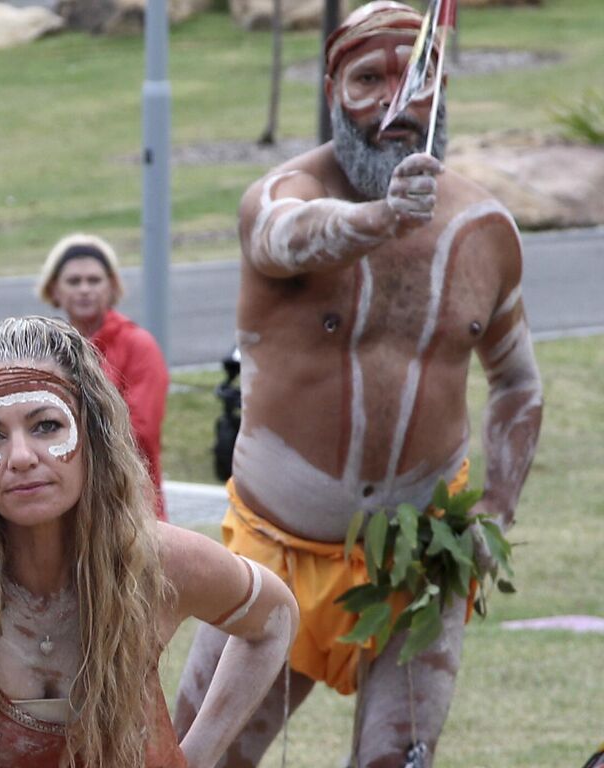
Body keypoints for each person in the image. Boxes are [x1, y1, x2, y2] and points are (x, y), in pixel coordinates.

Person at [173, 3, 543, 765]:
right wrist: (380, 216)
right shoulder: (284, 194)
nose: (395, 102)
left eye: (417, 77)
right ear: (332, 87)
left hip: (420, 558)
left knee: (398, 761)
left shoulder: (485, 231)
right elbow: (284, 238)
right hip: (274, 555)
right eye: (369, 78)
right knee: (194, 757)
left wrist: (494, 514)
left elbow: (517, 383)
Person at [0, 308, 297, 767]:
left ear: (91, 434)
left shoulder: (150, 560)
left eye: (46, 426)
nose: (19, 457)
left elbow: (274, 620)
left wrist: (197, 756)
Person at [36, 233, 169, 519]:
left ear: (112, 288)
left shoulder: (138, 345)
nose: (84, 289)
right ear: (54, 290)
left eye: (94, 280)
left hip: (128, 506)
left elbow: (140, 435)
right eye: (74, 281)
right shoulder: (43, 347)